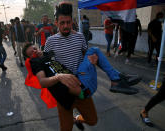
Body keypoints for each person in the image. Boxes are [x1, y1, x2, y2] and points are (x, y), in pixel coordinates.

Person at [35, 2, 141, 130]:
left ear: (72, 21)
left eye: (68, 22)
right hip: (64, 91)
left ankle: (78, 119)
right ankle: (117, 79)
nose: (66, 26)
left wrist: (94, 60)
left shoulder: (79, 37)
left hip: (81, 84)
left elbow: (87, 56)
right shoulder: (50, 41)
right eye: (62, 23)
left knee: (92, 120)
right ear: (56, 23)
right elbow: (47, 63)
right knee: (65, 129)